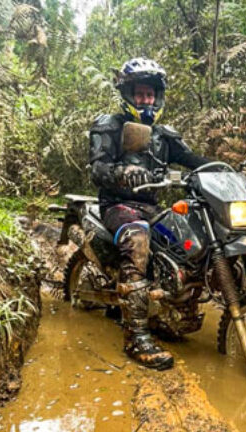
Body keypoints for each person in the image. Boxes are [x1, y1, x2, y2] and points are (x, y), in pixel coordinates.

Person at [88, 58, 211, 370]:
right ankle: (136, 337)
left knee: (189, 243)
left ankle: (175, 306)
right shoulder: (110, 125)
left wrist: (228, 170)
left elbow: (193, 159)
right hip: (118, 206)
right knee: (138, 238)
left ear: (158, 97)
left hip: (151, 207)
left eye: (151, 95)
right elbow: (98, 168)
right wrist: (123, 171)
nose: (146, 100)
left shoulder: (164, 135)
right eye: (141, 94)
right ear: (129, 94)